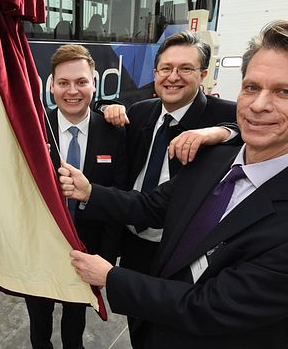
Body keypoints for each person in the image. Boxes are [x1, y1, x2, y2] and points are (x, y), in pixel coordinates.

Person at [58, 20, 288, 348]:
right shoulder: (212, 158)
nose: (259, 105)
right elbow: (154, 206)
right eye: (251, 87)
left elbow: (210, 307)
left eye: (284, 91)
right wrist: (90, 191)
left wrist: (110, 277)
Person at [98, 31, 238, 281]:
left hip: (181, 247)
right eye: (166, 69)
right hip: (133, 239)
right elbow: (95, 107)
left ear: (203, 75)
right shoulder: (142, 111)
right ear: (155, 74)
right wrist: (107, 107)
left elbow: (255, 133)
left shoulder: (225, 115)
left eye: (185, 68)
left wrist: (220, 132)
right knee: (135, 312)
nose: (173, 77)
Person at [24, 44, 127, 349]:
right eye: (64, 83)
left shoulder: (114, 132)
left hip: (87, 249)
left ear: (94, 84)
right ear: (51, 86)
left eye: (82, 82)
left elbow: (118, 200)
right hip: (40, 249)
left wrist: (106, 258)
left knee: (74, 321)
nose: (72, 91)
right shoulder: (33, 130)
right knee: (38, 322)